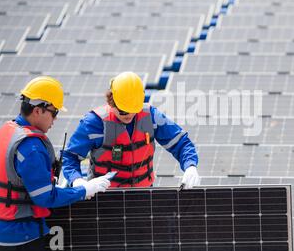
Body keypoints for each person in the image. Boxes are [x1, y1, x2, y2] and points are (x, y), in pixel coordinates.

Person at [0, 76, 111, 251]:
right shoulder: (30, 148)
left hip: (1, 233)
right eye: (54, 113)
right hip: (22, 239)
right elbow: (46, 198)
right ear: (38, 110)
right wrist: (84, 189)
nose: (54, 120)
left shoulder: (6, 131)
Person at [62, 71, 200, 189]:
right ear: (111, 101)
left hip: (143, 195)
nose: (129, 115)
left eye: (134, 109)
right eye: (123, 111)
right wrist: (77, 180)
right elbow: (69, 157)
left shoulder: (151, 116)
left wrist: (190, 166)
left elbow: (181, 143)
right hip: (104, 198)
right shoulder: (94, 123)